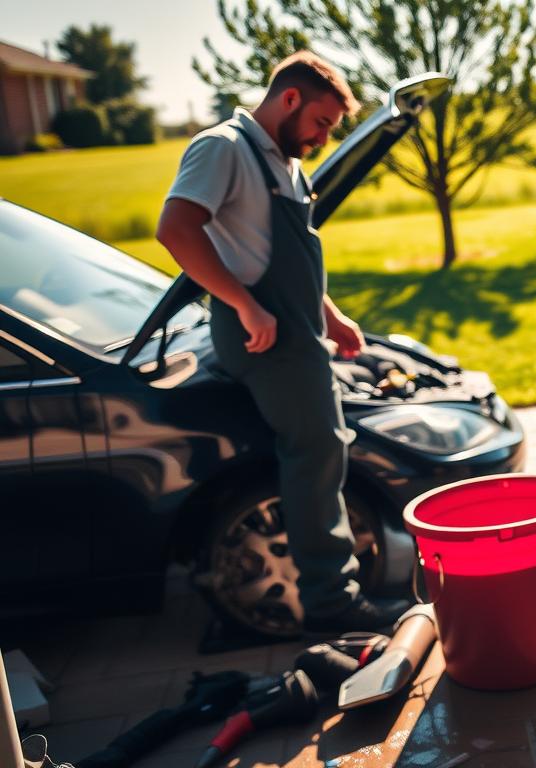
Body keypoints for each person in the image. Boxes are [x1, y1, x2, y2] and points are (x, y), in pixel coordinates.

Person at [157, 51, 408, 634]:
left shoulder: (283, 163)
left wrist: (333, 316)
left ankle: (330, 584)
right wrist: (243, 303)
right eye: (321, 123)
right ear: (289, 99)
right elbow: (176, 228)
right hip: (264, 334)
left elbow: (274, 251)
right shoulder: (223, 147)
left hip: (296, 324)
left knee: (320, 450)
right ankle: (331, 601)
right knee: (317, 451)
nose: (323, 138)